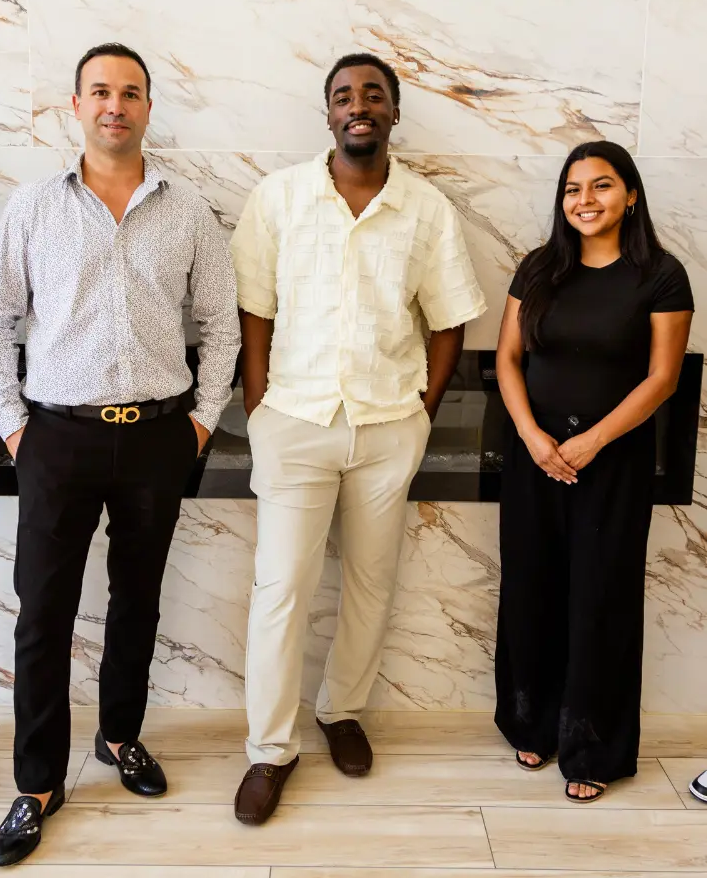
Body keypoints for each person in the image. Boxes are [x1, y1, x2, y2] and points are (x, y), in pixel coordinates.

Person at [0, 42, 240, 867]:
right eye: (100, 92)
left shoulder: (189, 209)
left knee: (138, 602)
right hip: (57, 436)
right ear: (76, 107)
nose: (114, 105)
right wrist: (16, 426)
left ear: (149, 108)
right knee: (43, 612)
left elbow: (221, 324)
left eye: (130, 93)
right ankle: (36, 783)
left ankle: (120, 736)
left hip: (160, 435)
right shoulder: (32, 208)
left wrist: (199, 422)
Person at [229, 52, 486, 825]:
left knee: (373, 584)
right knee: (281, 589)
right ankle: (269, 751)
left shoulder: (426, 210)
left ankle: (342, 711)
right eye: (344, 96)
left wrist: (422, 411)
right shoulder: (278, 198)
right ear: (329, 114)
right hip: (295, 424)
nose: (359, 105)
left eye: (374, 94)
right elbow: (254, 312)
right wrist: (259, 407)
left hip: (385, 427)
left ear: (394, 112)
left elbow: (450, 317)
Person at [494, 140, 693, 803]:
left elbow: (664, 377)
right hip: (533, 458)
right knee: (532, 589)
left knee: (600, 599)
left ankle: (593, 746)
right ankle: (532, 722)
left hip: (613, 463)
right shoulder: (538, 269)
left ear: (630, 195)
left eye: (601, 186)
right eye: (573, 189)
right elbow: (508, 360)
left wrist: (593, 442)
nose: (585, 200)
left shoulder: (662, 276)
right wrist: (533, 437)